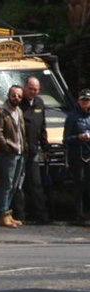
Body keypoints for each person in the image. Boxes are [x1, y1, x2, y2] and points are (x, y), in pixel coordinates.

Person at [0, 85, 27, 228]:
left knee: (14, 186)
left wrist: (24, 148)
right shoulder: (2, 112)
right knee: (7, 184)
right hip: (9, 154)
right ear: (8, 95)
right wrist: (6, 147)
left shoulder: (19, 111)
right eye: (14, 95)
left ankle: (8, 213)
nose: (16, 98)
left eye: (19, 96)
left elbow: (21, 132)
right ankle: (1, 214)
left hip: (20, 152)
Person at [19, 76, 52, 224]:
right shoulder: (18, 102)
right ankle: (20, 215)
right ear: (24, 87)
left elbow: (42, 126)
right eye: (31, 89)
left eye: (36, 89)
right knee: (18, 185)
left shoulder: (40, 103)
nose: (33, 92)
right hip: (18, 150)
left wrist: (45, 147)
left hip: (34, 150)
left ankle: (41, 216)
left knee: (36, 184)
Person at [63, 88, 90, 223]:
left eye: (88, 101)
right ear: (79, 101)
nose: (86, 103)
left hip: (88, 153)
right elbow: (66, 139)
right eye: (84, 100)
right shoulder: (72, 117)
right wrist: (78, 137)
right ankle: (78, 214)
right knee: (78, 184)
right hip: (77, 155)